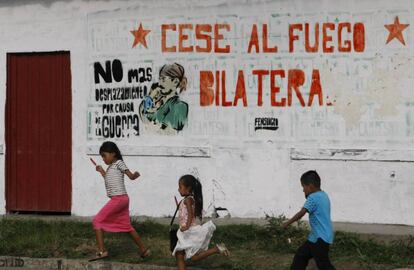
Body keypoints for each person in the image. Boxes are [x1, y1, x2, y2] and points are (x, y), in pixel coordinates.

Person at [89, 141, 150, 261]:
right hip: (122, 199)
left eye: (104, 155)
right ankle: (144, 250)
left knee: (97, 221)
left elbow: (130, 175)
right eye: (102, 156)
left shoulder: (119, 163)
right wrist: (101, 171)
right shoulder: (111, 167)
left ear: (113, 154)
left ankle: (102, 251)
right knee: (127, 226)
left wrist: (134, 175)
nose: (103, 159)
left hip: (119, 199)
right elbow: (108, 178)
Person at [173, 175, 230, 270]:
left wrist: (186, 227)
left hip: (188, 232)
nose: (178, 189)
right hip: (185, 232)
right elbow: (187, 213)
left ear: (188, 188)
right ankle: (217, 249)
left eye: (180, 187)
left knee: (185, 256)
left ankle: (216, 249)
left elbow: (190, 216)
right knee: (184, 256)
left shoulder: (188, 200)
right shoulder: (187, 200)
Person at [283, 170, 336, 270]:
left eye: (303, 187)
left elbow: (301, 213)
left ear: (310, 186)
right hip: (317, 237)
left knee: (324, 265)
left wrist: (287, 223)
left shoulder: (312, 198)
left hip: (320, 239)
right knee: (300, 255)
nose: (303, 190)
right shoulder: (324, 195)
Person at [139, 63, 189, 132]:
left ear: (175, 82)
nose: (159, 83)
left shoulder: (180, 106)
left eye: (163, 79)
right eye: (159, 79)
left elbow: (167, 133)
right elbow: (143, 116)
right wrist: (150, 96)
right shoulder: (158, 102)